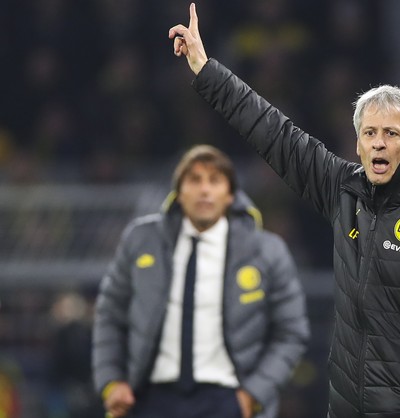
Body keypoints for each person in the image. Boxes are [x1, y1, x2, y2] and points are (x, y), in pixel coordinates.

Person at [169, 4, 400, 417]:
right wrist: (205, 69)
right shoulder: (344, 190)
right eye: (369, 133)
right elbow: (274, 132)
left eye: (391, 134)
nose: (378, 143)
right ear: (358, 142)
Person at [92, 144, 309, 418]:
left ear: (230, 195)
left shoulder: (266, 250)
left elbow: (291, 331)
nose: (204, 190)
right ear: (179, 193)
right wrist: (112, 380)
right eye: (194, 180)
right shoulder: (142, 240)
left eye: (215, 181)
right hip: (151, 397)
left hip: (229, 397)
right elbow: (110, 315)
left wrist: (253, 394)